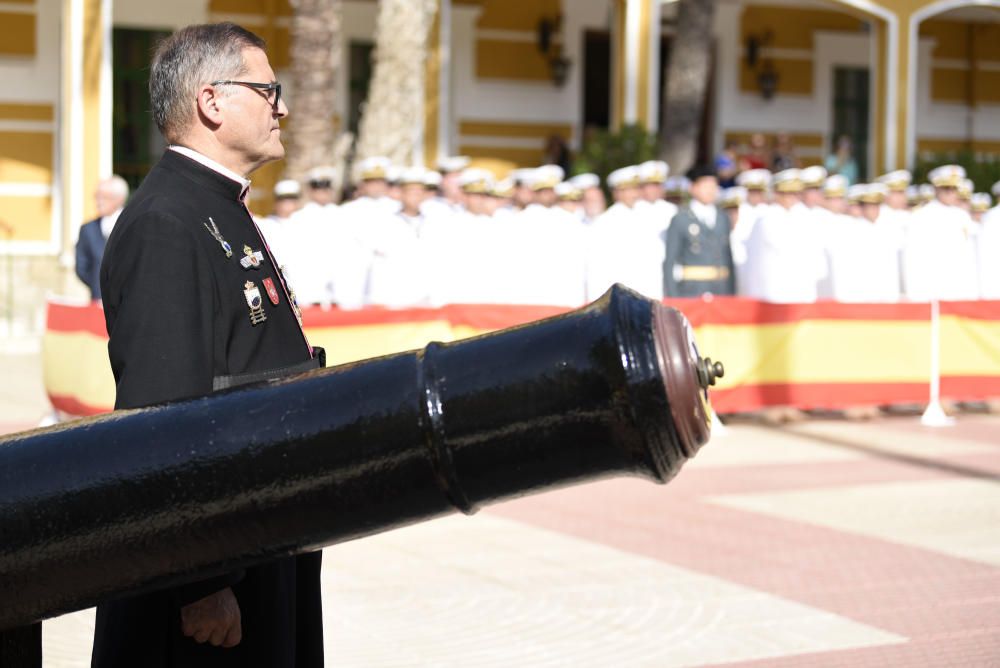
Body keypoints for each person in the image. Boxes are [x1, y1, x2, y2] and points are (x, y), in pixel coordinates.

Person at [95, 23, 324, 668]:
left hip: (255, 538)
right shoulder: (167, 222)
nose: (282, 106)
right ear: (212, 101)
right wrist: (198, 582)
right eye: (268, 89)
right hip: (210, 585)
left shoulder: (216, 205)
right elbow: (161, 413)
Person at [662, 165, 735, 297]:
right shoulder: (681, 219)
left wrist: (731, 293)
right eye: (705, 185)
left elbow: (728, 259)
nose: (711, 190)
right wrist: (673, 298)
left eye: (713, 186)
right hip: (691, 292)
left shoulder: (723, 218)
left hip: (720, 290)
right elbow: (670, 262)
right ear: (693, 188)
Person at [75, 176, 129, 300]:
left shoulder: (132, 225)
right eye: (96, 197)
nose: (98, 202)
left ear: (119, 199)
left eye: (104, 197)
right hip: (99, 300)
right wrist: (98, 285)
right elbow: (81, 268)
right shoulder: (88, 229)